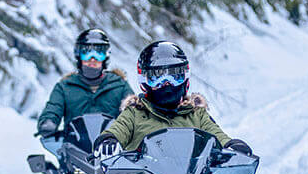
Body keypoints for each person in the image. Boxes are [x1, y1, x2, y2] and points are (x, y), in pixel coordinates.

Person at [92, 41, 252, 158]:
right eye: (157, 77)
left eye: (175, 75)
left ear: (185, 77)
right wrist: (108, 141)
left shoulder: (196, 114)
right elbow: (117, 130)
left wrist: (231, 145)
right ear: (144, 81)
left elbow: (216, 134)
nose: (167, 84)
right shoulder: (135, 113)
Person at [36, 28, 133, 137]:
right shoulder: (65, 87)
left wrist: (133, 123)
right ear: (78, 54)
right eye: (86, 53)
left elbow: (132, 111)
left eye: (99, 53)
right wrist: (48, 122)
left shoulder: (119, 85)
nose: (92, 59)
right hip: (73, 147)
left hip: (112, 147)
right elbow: (53, 108)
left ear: (106, 56)